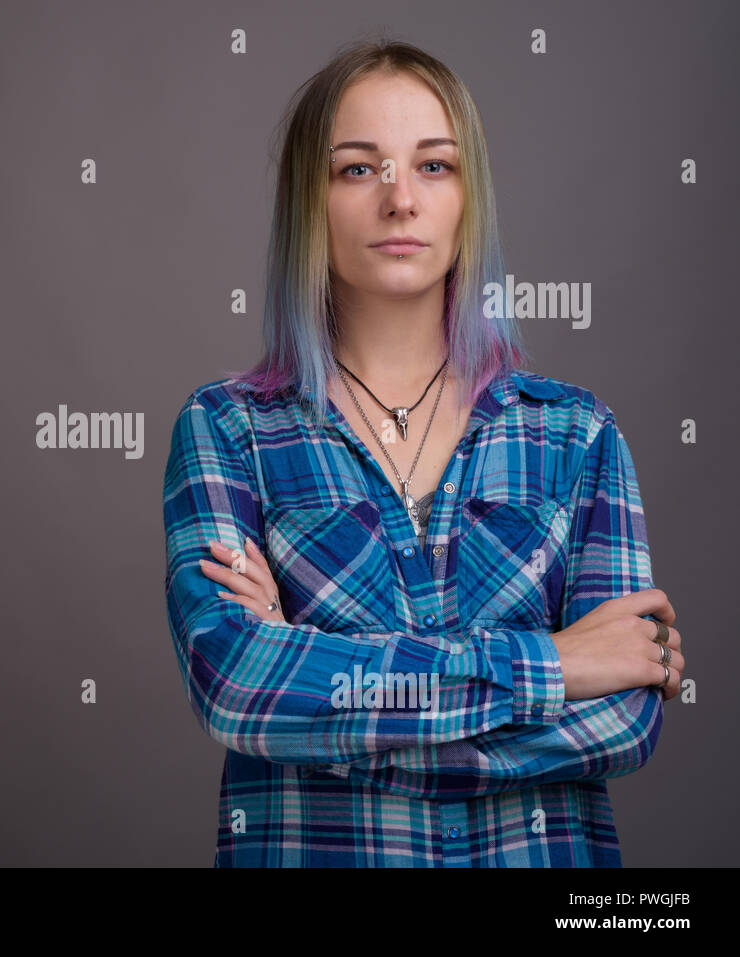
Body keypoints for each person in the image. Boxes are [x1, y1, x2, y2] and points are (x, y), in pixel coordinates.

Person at [161, 39, 684, 867]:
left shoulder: (574, 434)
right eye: (359, 169)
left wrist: (323, 693)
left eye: (433, 166)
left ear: (468, 196)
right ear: (310, 201)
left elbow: (622, 716)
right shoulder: (227, 431)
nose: (401, 200)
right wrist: (551, 662)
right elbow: (239, 688)